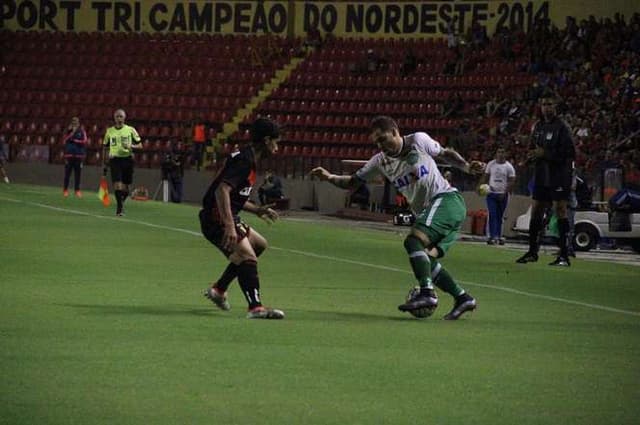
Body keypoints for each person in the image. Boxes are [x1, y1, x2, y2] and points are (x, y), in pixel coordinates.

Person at [311, 116, 484, 320]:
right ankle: (463, 298)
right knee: (425, 258)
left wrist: (465, 167)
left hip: (446, 200)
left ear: (395, 131)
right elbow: (352, 182)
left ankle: (427, 293)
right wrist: (329, 177)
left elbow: (445, 154)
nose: (380, 145)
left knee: (413, 240)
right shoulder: (380, 161)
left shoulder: (418, 140)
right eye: (376, 141)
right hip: (432, 211)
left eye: (383, 138)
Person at [200, 117, 284, 320]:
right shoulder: (245, 161)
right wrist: (229, 225)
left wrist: (257, 210)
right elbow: (222, 191)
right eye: (276, 141)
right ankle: (255, 308)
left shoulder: (247, 157)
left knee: (259, 245)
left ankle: (219, 290)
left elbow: (233, 196)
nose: (277, 146)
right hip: (216, 218)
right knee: (247, 256)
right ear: (266, 140)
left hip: (223, 214)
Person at [516, 91, 575, 266]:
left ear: (556, 106)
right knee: (536, 211)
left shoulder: (563, 127)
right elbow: (534, 149)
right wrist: (529, 159)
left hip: (559, 175)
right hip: (542, 175)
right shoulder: (539, 126)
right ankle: (532, 252)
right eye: (544, 104)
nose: (546, 108)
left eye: (550, 104)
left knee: (560, 210)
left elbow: (570, 153)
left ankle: (564, 254)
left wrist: (546, 154)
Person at [101, 109, 142, 216]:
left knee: (126, 187)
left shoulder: (130, 130)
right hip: (115, 160)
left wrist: (131, 146)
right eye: (117, 117)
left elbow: (140, 145)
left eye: (121, 117)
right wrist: (105, 161)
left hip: (127, 159)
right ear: (114, 118)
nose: (119, 119)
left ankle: (121, 203)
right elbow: (105, 147)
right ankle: (119, 209)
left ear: (124, 118)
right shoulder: (109, 131)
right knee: (117, 185)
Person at [482, 147, 516, 245]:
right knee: (492, 214)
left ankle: (498, 235)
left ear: (505, 154)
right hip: (491, 193)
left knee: (500, 216)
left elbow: (512, 180)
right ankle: (491, 236)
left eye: (503, 152)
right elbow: (486, 176)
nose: (501, 154)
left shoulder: (509, 167)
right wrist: (480, 186)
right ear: (496, 153)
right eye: (499, 152)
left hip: (503, 195)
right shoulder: (491, 164)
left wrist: (505, 191)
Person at [61, 116, 87, 198]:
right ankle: (65, 190)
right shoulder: (67, 131)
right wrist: (71, 134)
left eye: (76, 122)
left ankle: (77, 190)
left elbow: (84, 141)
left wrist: (75, 140)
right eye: (73, 122)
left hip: (78, 155)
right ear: (71, 123)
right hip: (69, 155)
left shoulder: (82, 131)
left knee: (78, 174)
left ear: (78, 123)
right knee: (67, 174)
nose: (75, 123)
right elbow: (64, 140)